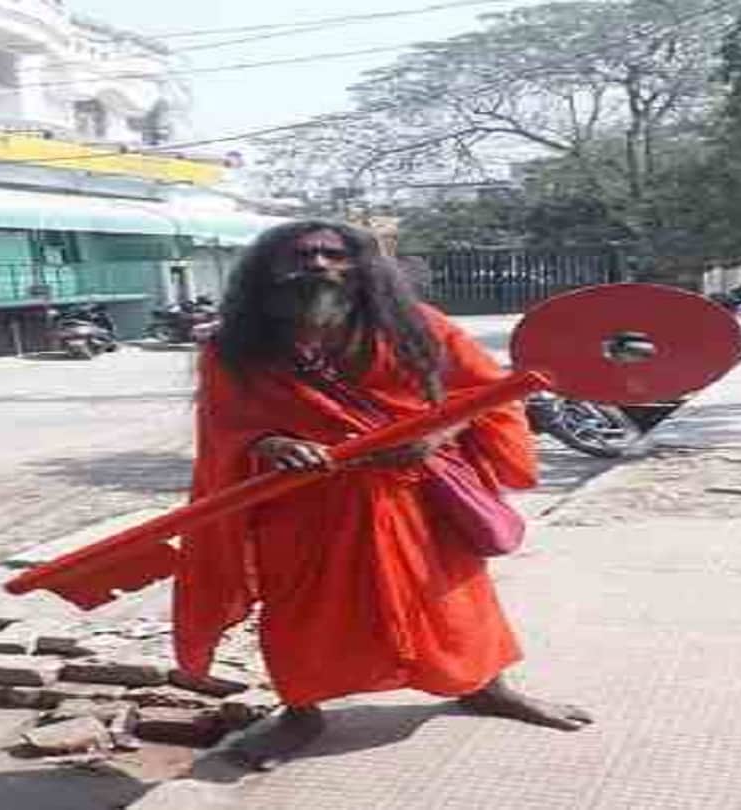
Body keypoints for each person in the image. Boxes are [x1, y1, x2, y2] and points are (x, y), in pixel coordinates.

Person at [175, 220, 592, 771]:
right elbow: (226, 424)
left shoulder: (421, 327)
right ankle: (301, 712)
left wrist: (433, 436)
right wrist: (270, 442)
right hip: (304, 504)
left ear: (362, 265)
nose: (319, 266)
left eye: (333, 254)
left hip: (416, 495)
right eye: (301, 257)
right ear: (268, 271)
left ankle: (486, 687)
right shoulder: (236, 348)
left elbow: (486, 395)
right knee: (300, 612)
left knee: (453, 600)